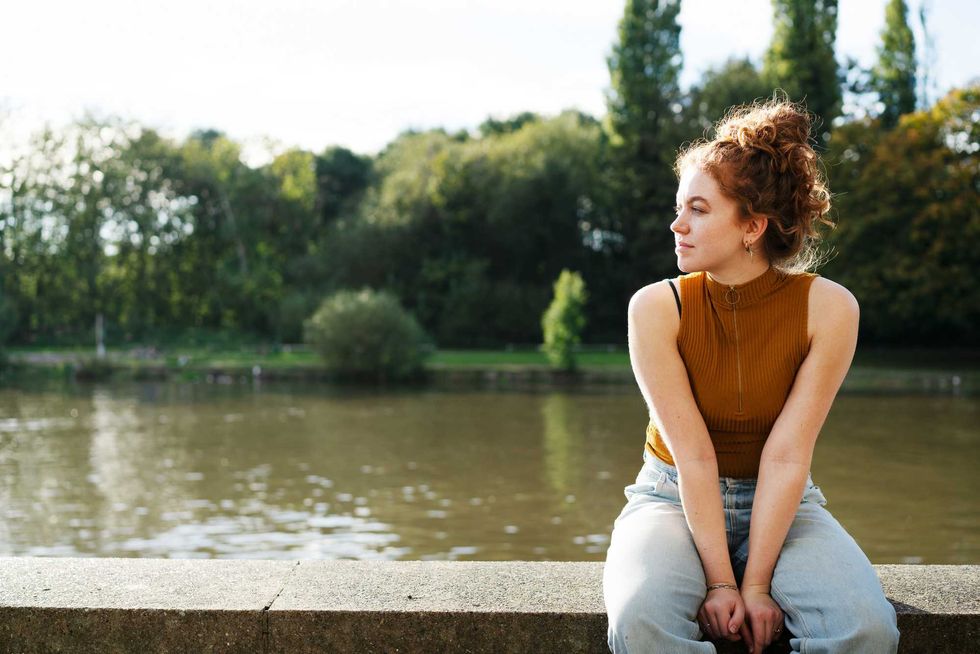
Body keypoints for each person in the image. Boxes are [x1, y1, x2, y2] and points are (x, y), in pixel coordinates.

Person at [602, 99, 901, 654]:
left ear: (752, 226)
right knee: (641, 623)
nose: (677, 224)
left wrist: (756, 584)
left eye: (698, 209)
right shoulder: (655, 307)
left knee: (867, 628)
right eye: (678, 207)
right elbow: (693, 457)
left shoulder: (830, 308)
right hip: (670, 497)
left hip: (786, 500)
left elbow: (788, 456)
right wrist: (722, 583)